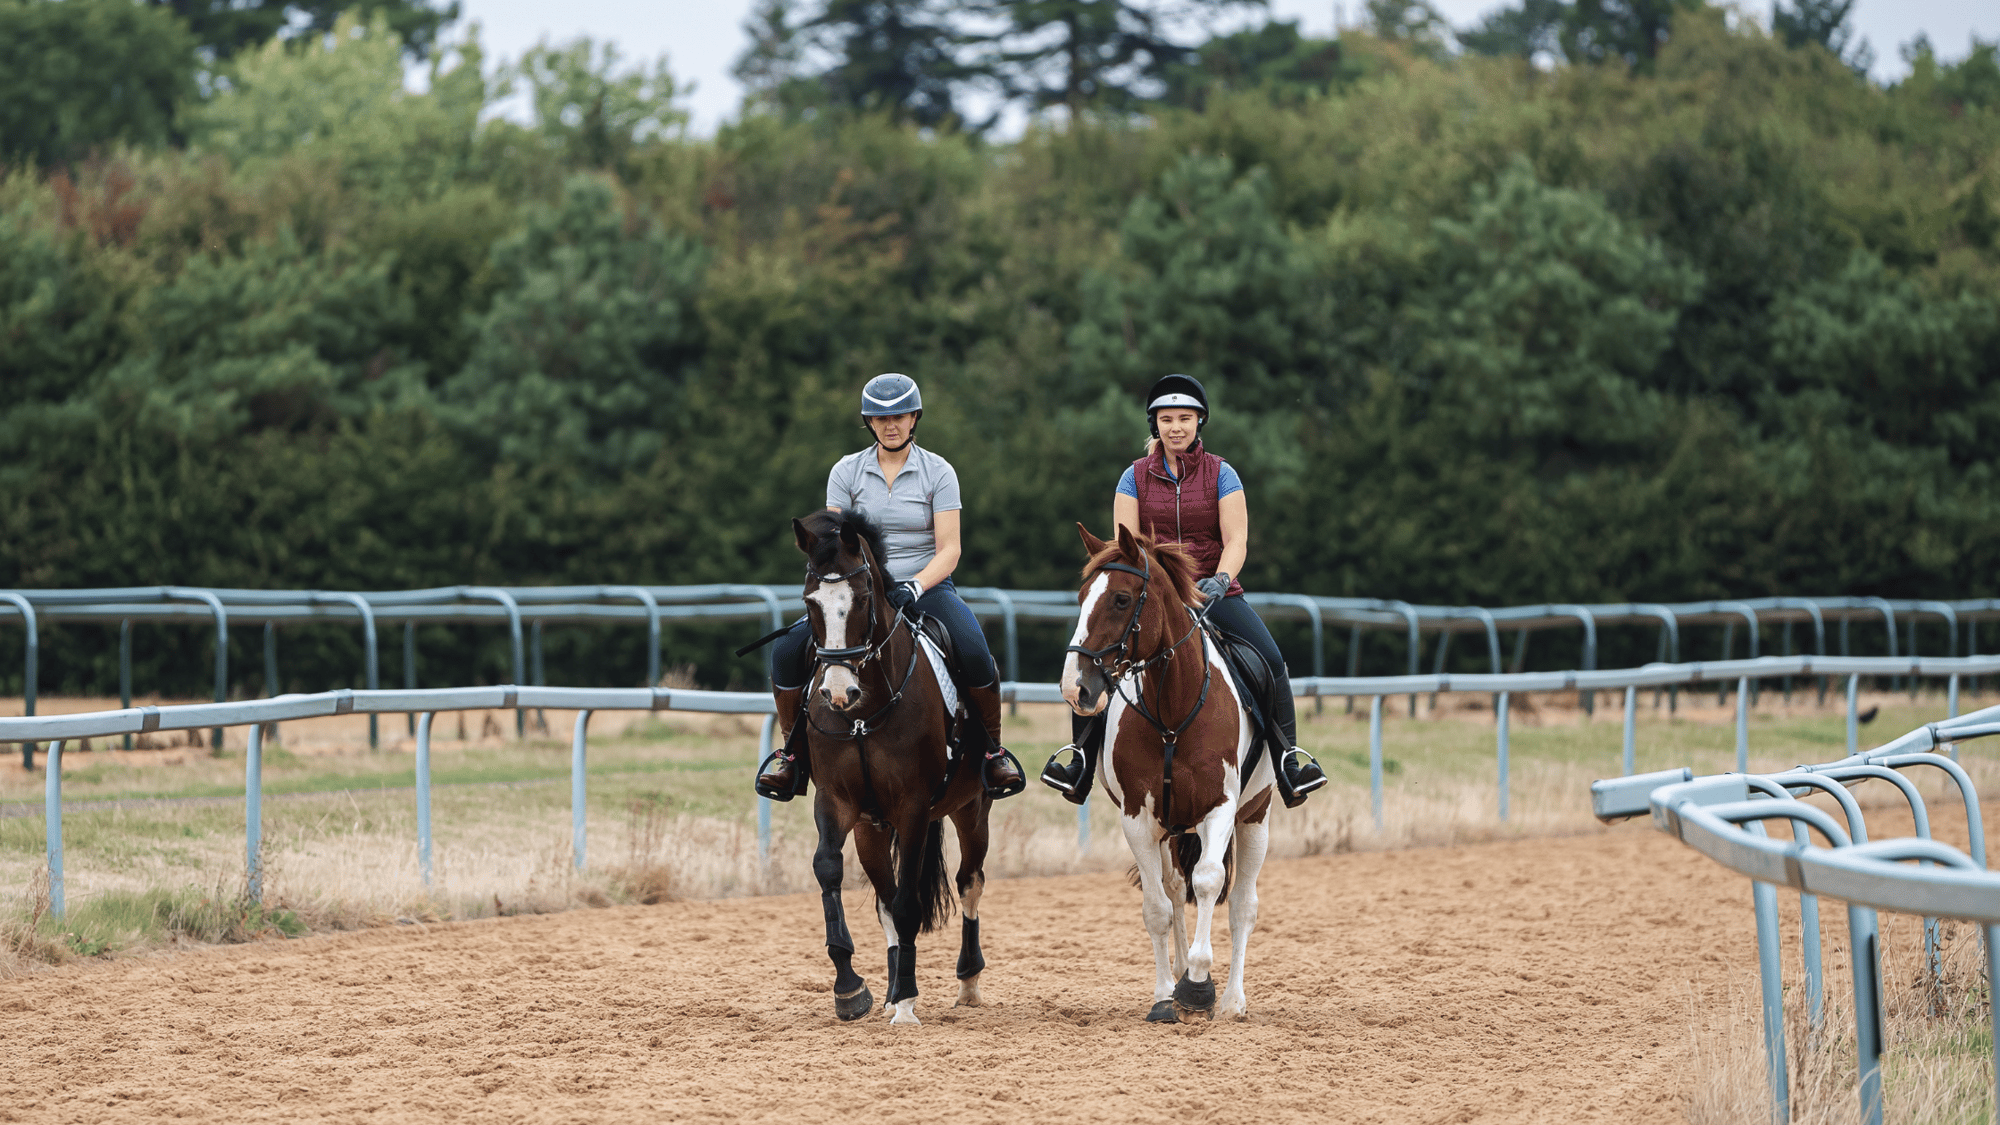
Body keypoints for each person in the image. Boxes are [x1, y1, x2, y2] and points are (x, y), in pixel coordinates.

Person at [1040, 373, 1329, 808]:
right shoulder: (1132, 477)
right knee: (1097, 650)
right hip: (1151, 598)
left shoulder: (1223, 474)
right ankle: (1079, 758)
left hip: (1215, 593)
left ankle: (1289, 758)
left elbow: (1237, 540)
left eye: (1185, 418)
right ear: (1154, 425)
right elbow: (1126, 545)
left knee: (1270, 660)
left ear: (1200, 423)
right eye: (1167, 419)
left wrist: (1221, 580)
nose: (1176, 427)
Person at [756, 373, 1028, 800]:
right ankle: (791, 756)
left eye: (899, 416)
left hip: (927, 585)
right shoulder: (846, 471)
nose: (890, 425)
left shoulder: (939, 472)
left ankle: (993, 753)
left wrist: (915, 587)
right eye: (880, 419)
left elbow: (950, 549)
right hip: (857, 593)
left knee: (974, 648)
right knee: (787, 650)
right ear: (868, 423)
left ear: (915, 417)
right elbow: (831, 549)